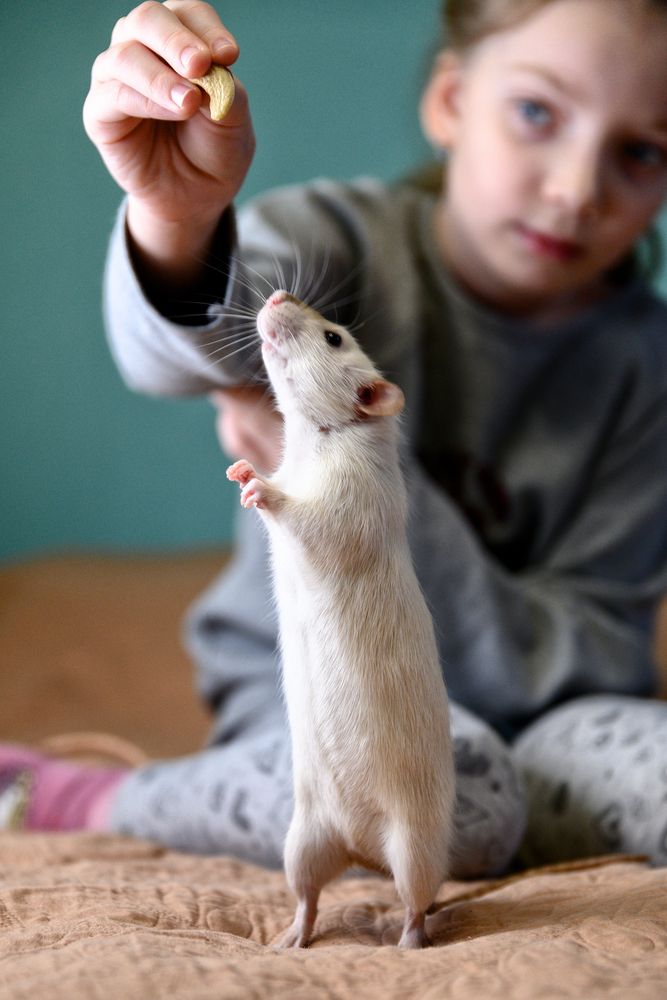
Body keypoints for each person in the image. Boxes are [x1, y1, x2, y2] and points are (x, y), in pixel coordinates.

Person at [3, 0, 667, 873]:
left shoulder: (645, 368)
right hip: (331, 686)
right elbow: (174, 354)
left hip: (550, 724)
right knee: (456, 801)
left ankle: (519, 818)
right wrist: (177, 218)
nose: (576, 188)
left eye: (640, 151)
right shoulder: (341, 244)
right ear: (452, 100)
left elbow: (598, 646)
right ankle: (82, 797)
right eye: (536, 113)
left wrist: (348, 464)